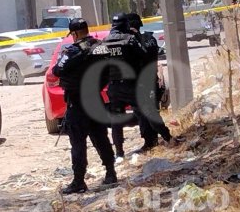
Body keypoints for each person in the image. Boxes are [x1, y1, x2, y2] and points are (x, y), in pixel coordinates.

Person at [53, 18, 117, 194]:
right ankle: (111, 173)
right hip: (95, 99)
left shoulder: (73, 51)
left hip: (77, 102)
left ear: (74, 34)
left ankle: (79, 181)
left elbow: (57, 70)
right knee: (101, 138)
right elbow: (110, 69)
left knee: (78, 143)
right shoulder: (101, 47)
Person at [104, 13, 175, 160]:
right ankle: (168, 138)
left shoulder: (105, 42)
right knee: (150, 112)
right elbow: (143, 55)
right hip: (132, 86)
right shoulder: (130, 40)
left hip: (115, 87)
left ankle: (119, 154)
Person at [126, 13, 174, 153]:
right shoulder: (150, 38)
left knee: (145, 113)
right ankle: (154, 140)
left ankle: (160, 139)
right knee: (149, 112)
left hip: (142, 82)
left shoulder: (133, 42)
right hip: (151, 79)